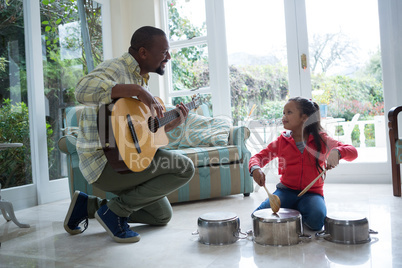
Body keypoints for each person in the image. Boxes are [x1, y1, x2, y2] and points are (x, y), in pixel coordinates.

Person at [63, 26, 195, 243]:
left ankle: (86, 205)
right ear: (143, 53)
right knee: (184, 168)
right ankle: (113, 213)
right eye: (164, 52)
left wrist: (173, 124)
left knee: (161, 215)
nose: (168, 57)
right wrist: (138, 90)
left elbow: (141, 136)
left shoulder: (141, 78)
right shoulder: (116, 68)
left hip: (126, 157)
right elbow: (81, 89)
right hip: (105, 162)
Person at [249, 97, 358, 231]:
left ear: (304, 118)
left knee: (316, 222)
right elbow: (258, 157)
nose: (284, 116)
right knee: (258, 216)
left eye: (289, 112)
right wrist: (255, 168)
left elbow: (353, 152)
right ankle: (294, 208)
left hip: (312, 193)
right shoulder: (281, 141)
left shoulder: (321, 139)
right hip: (286, 191)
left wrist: (338, 152)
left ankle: (296, 208)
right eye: (283, 113)